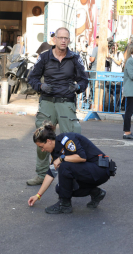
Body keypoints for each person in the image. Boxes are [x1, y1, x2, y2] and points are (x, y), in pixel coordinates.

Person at [26, 27, 88, 186]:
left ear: (69, 40)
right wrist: (40, 87)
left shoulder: (75, 57)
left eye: (66, 38)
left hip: (66, 102)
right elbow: (31, 78)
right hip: (47, 102)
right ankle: (41, 175)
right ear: (54, 39)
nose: (63, 41)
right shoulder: (45, 57)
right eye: (60, 38)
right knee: (42, 138)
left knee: (71, 140)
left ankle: (72, 177)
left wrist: (78, 88)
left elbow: (84, 80)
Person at [27, 122, 115, 214]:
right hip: (89, 172)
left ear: (48, 141)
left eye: (42, 146)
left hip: (100, 170)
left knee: (65, 166)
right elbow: (51, 173)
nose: (42, 150)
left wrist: (62, 158)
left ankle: (65, 205)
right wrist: (37, 195)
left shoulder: (67, 140)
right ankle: (97, 193)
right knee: (61, 188)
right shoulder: (55, 152)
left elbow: (82, 157)